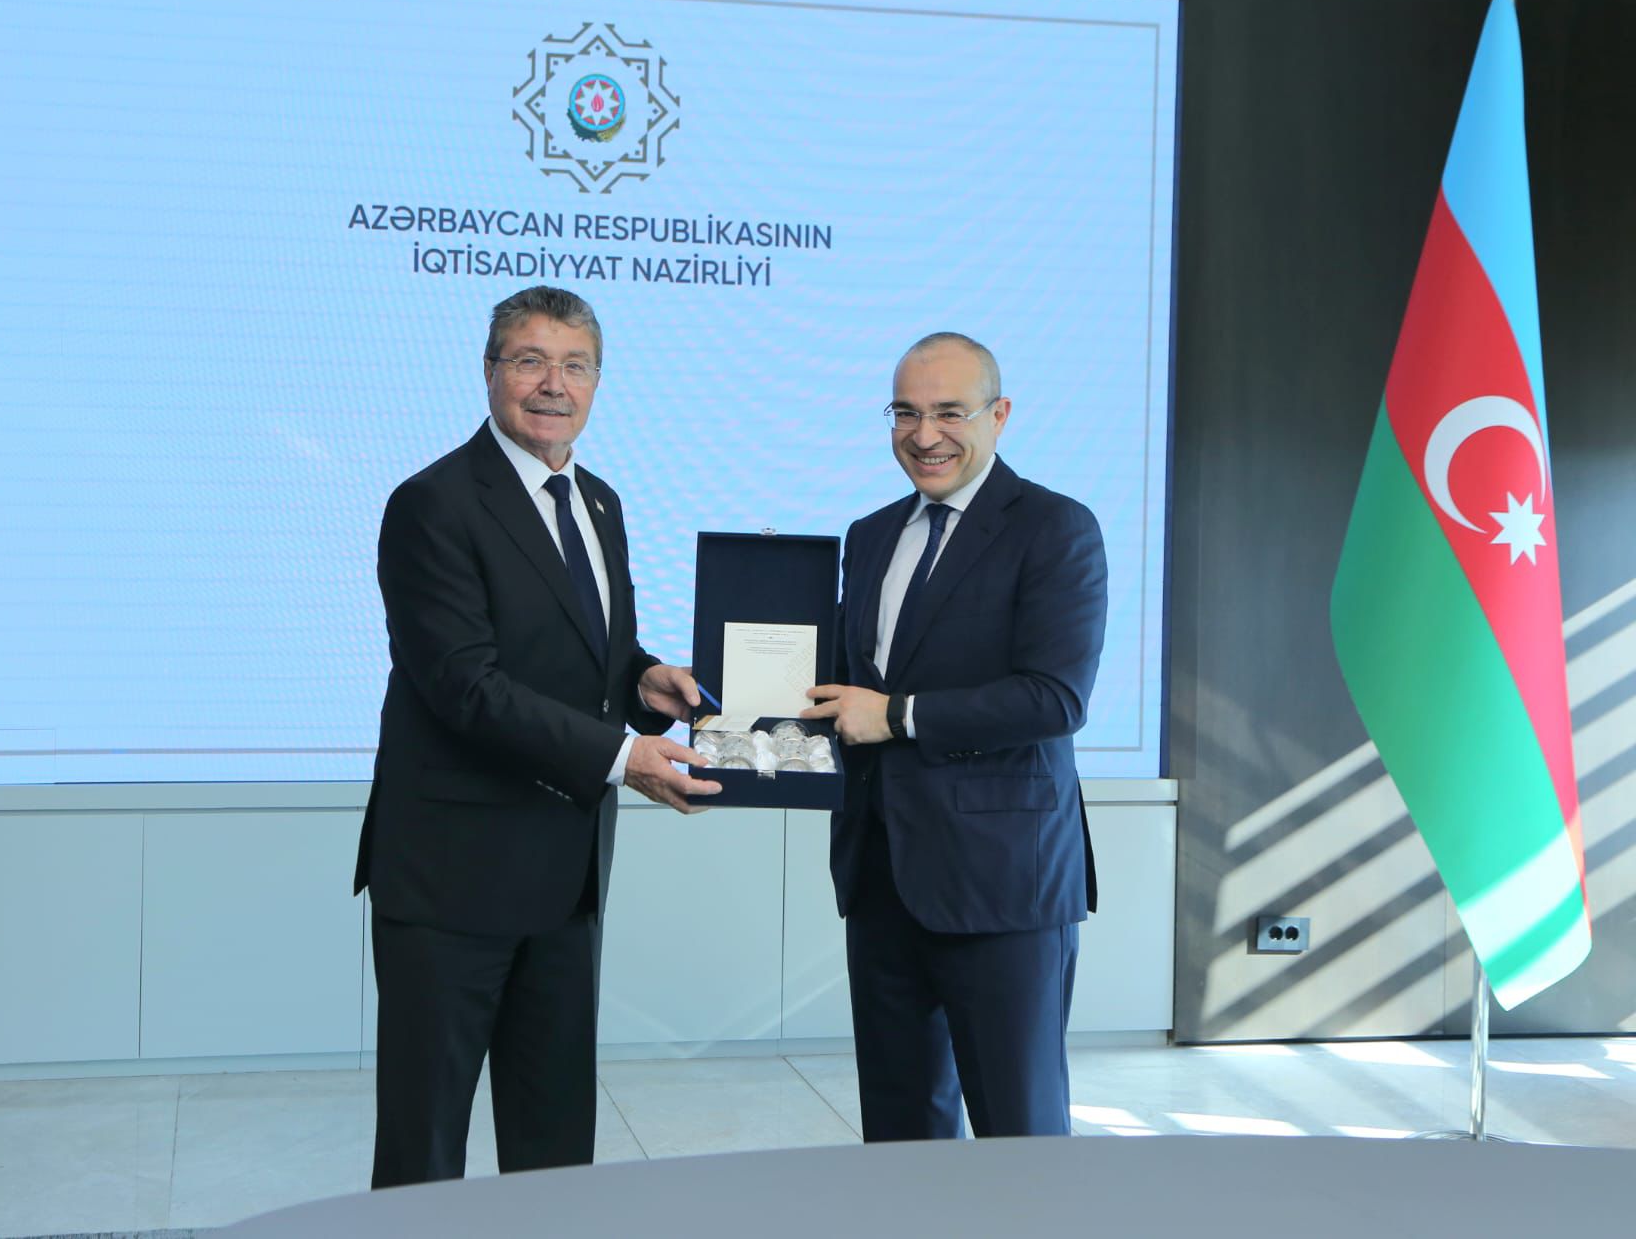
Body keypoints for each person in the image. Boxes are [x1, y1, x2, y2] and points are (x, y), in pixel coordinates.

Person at [355, 285, 718, 1187]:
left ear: (597, 382)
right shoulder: (432, 503)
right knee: (423, 1157)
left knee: (556, 1153)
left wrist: (644, 682)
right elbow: (465, 687)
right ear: (490, 372)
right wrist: (623, 757)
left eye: (575, 365)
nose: (554, 384)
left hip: (565, 877)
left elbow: (592, 655)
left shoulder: (599, 501)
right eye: (530, 361)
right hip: (450, 883)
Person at [803, 331, 1106, 1141]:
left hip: (1003, 886)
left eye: (949, 412)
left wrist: (898, 714)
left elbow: (1055, 696)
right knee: (900, 1135)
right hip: (881, 876)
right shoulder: (871, 534)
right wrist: (731, 684)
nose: (924, 434)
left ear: (999, 415)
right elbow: (841, 682)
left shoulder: (1055, 527)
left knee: (1020, 1137)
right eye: (905, 412)